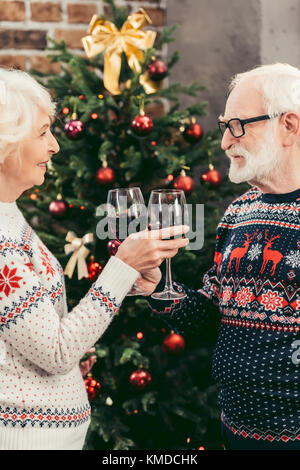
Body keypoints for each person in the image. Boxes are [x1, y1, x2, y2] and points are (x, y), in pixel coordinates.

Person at [0, 67, 189, 450]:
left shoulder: (10, 214)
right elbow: (55, 351)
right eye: (42, 133)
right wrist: (124, 267)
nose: (54, 146)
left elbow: (36, 344)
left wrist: (70, 366)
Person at [134, 63, 300, 450]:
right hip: (233, 431)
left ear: (289, 126)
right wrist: (157, 287)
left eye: (238, 125)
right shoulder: (239, 212)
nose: (225, 142)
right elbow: (213, 320)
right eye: (225, 126)